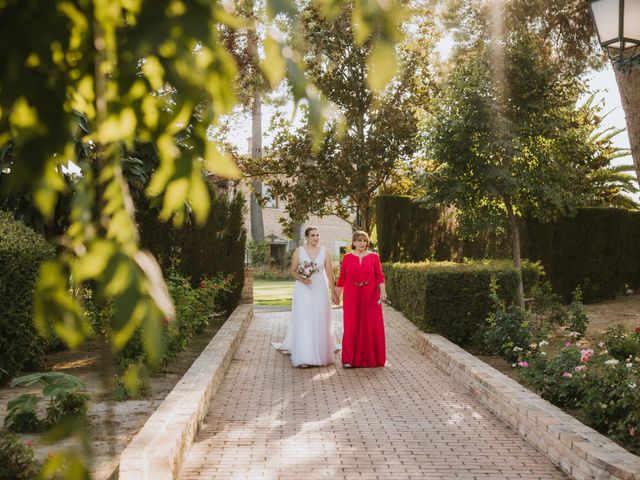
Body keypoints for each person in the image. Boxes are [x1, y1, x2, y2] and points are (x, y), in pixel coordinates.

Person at [272, 226, 338, 367]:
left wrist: (333, 293)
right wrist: (303, 279)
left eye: (317, 235)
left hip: (320, 288)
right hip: (303, 289)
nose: (316, 238)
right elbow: (293, 272)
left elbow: (329, 274)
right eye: (313, 235)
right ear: (306, 237)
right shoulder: (299, 251)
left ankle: (320, 352)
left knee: (320, 318)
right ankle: (304, 356)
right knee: (305, 319)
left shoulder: (325, 252)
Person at [334, 231, 387, 368]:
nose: (362, 243)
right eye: (359, 240)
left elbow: (379, 276)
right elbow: (342, 279)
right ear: (354, 242)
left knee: (370, 325)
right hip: (352, 296)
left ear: (367, 242)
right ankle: (349, 359)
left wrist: (383, 292)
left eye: (364, 241)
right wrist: (336, 295)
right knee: (351, 325)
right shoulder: (347, 258)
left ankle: (372, 358)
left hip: (370, 295)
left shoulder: (374, 257)